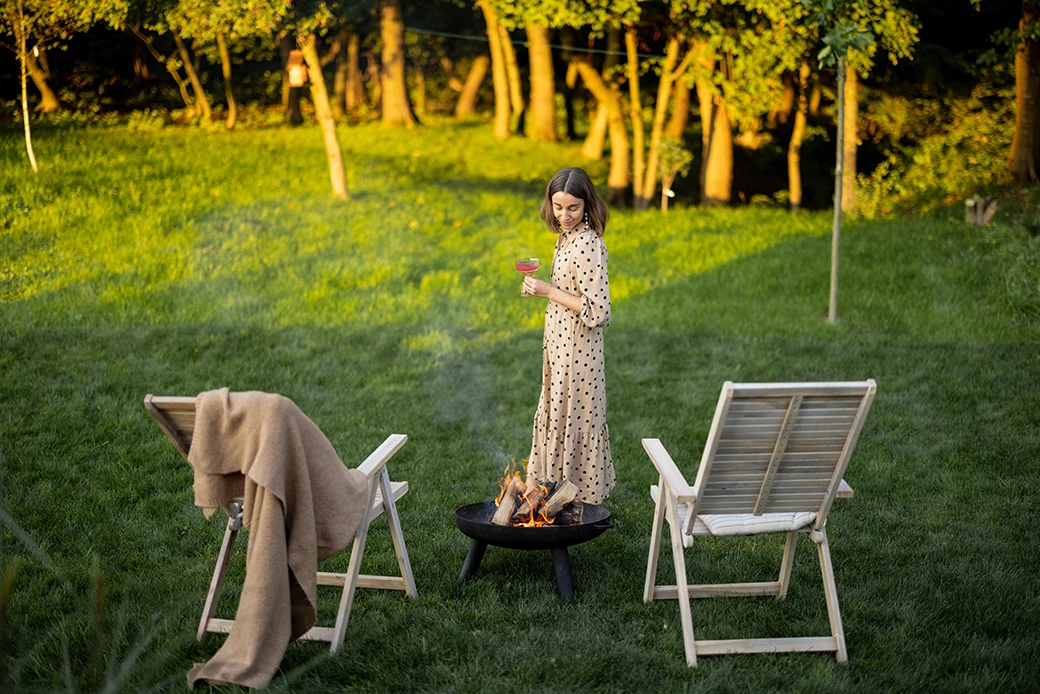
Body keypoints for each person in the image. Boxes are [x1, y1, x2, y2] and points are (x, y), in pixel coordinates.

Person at [522, 167, 614, 504]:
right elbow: (570, 292)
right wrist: (542, 289)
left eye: (573, 208)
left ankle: (571, 501)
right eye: (558, 206)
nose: (564, 215)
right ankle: (551, 499)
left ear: (587, 204)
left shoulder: (588, 244)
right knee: (556, 417)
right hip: (559, 348)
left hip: (578, 353)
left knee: (571, 421)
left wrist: (549, 291)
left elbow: (599, 311)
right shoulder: (566, 238)